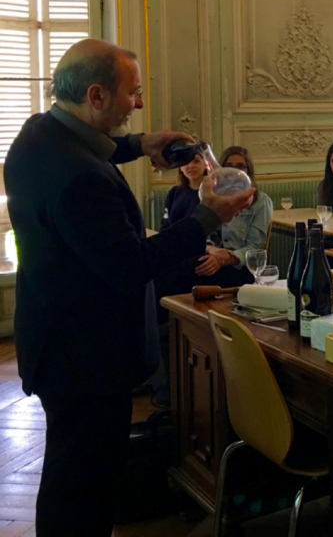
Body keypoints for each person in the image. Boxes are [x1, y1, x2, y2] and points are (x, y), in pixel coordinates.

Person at [3, 38, 252, 537]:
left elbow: (89, 146)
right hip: (86, 357)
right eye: (132, 93)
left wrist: (141, 144)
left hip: (54, 339)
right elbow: (129, 265)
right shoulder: (78, 177)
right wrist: (206, 216)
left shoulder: (38, 134)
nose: (138, 104)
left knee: (71, 475)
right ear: (96, 95)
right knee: (82, 488)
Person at [195, 146, 273, 285]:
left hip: (238, 266)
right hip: (207, 257)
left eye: (240, 166)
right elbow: (199, 233)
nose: (234, 171)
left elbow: (256, 246)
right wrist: (212, 251)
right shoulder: (211, 197)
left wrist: (225, 258)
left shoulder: (260, 202)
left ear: (248, 170)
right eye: (229, 166)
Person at [160, 144, 206, 229]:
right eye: (186, 162)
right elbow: (165, 226)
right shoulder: (174, 192)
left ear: (205, 164)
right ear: (180, 167)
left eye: (196, 161)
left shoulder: (213, 192)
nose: (191, 165)